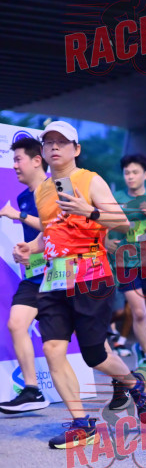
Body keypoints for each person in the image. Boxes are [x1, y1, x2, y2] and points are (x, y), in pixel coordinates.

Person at [12, 121, 146, 449]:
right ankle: (81, 424)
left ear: (76, 149)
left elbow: (122, 223)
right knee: (52, 349)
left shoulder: (90, 180)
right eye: (48, 142)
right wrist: (30, 247)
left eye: (62, 142)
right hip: (54, 280)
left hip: (91, 277)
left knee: (95, 355)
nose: (54, 147)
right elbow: (51, 232)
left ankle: (134, 385)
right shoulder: (42, 189)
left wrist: (88, 210)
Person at [0, 137, 53, 413]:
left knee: (96, 346)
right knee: (16, 324)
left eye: (18, 159)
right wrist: (26, 252)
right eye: (13, 160)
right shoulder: (23, 198)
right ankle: (32, 390)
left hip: (63, 275)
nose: (14, 166)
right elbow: (37, 239)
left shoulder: (55, 189)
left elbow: (54, 227)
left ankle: (126, 381)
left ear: (36, 160)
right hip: (35, 276)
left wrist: (16, 215)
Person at [105, 154, 146, 389]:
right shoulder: (116, 198)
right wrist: (106, 241)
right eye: (127, 173)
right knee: (138, 313)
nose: (130, 177)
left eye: (135, 172)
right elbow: (103, 223)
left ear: (145, 174)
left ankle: (142, 346)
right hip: (125, 262)